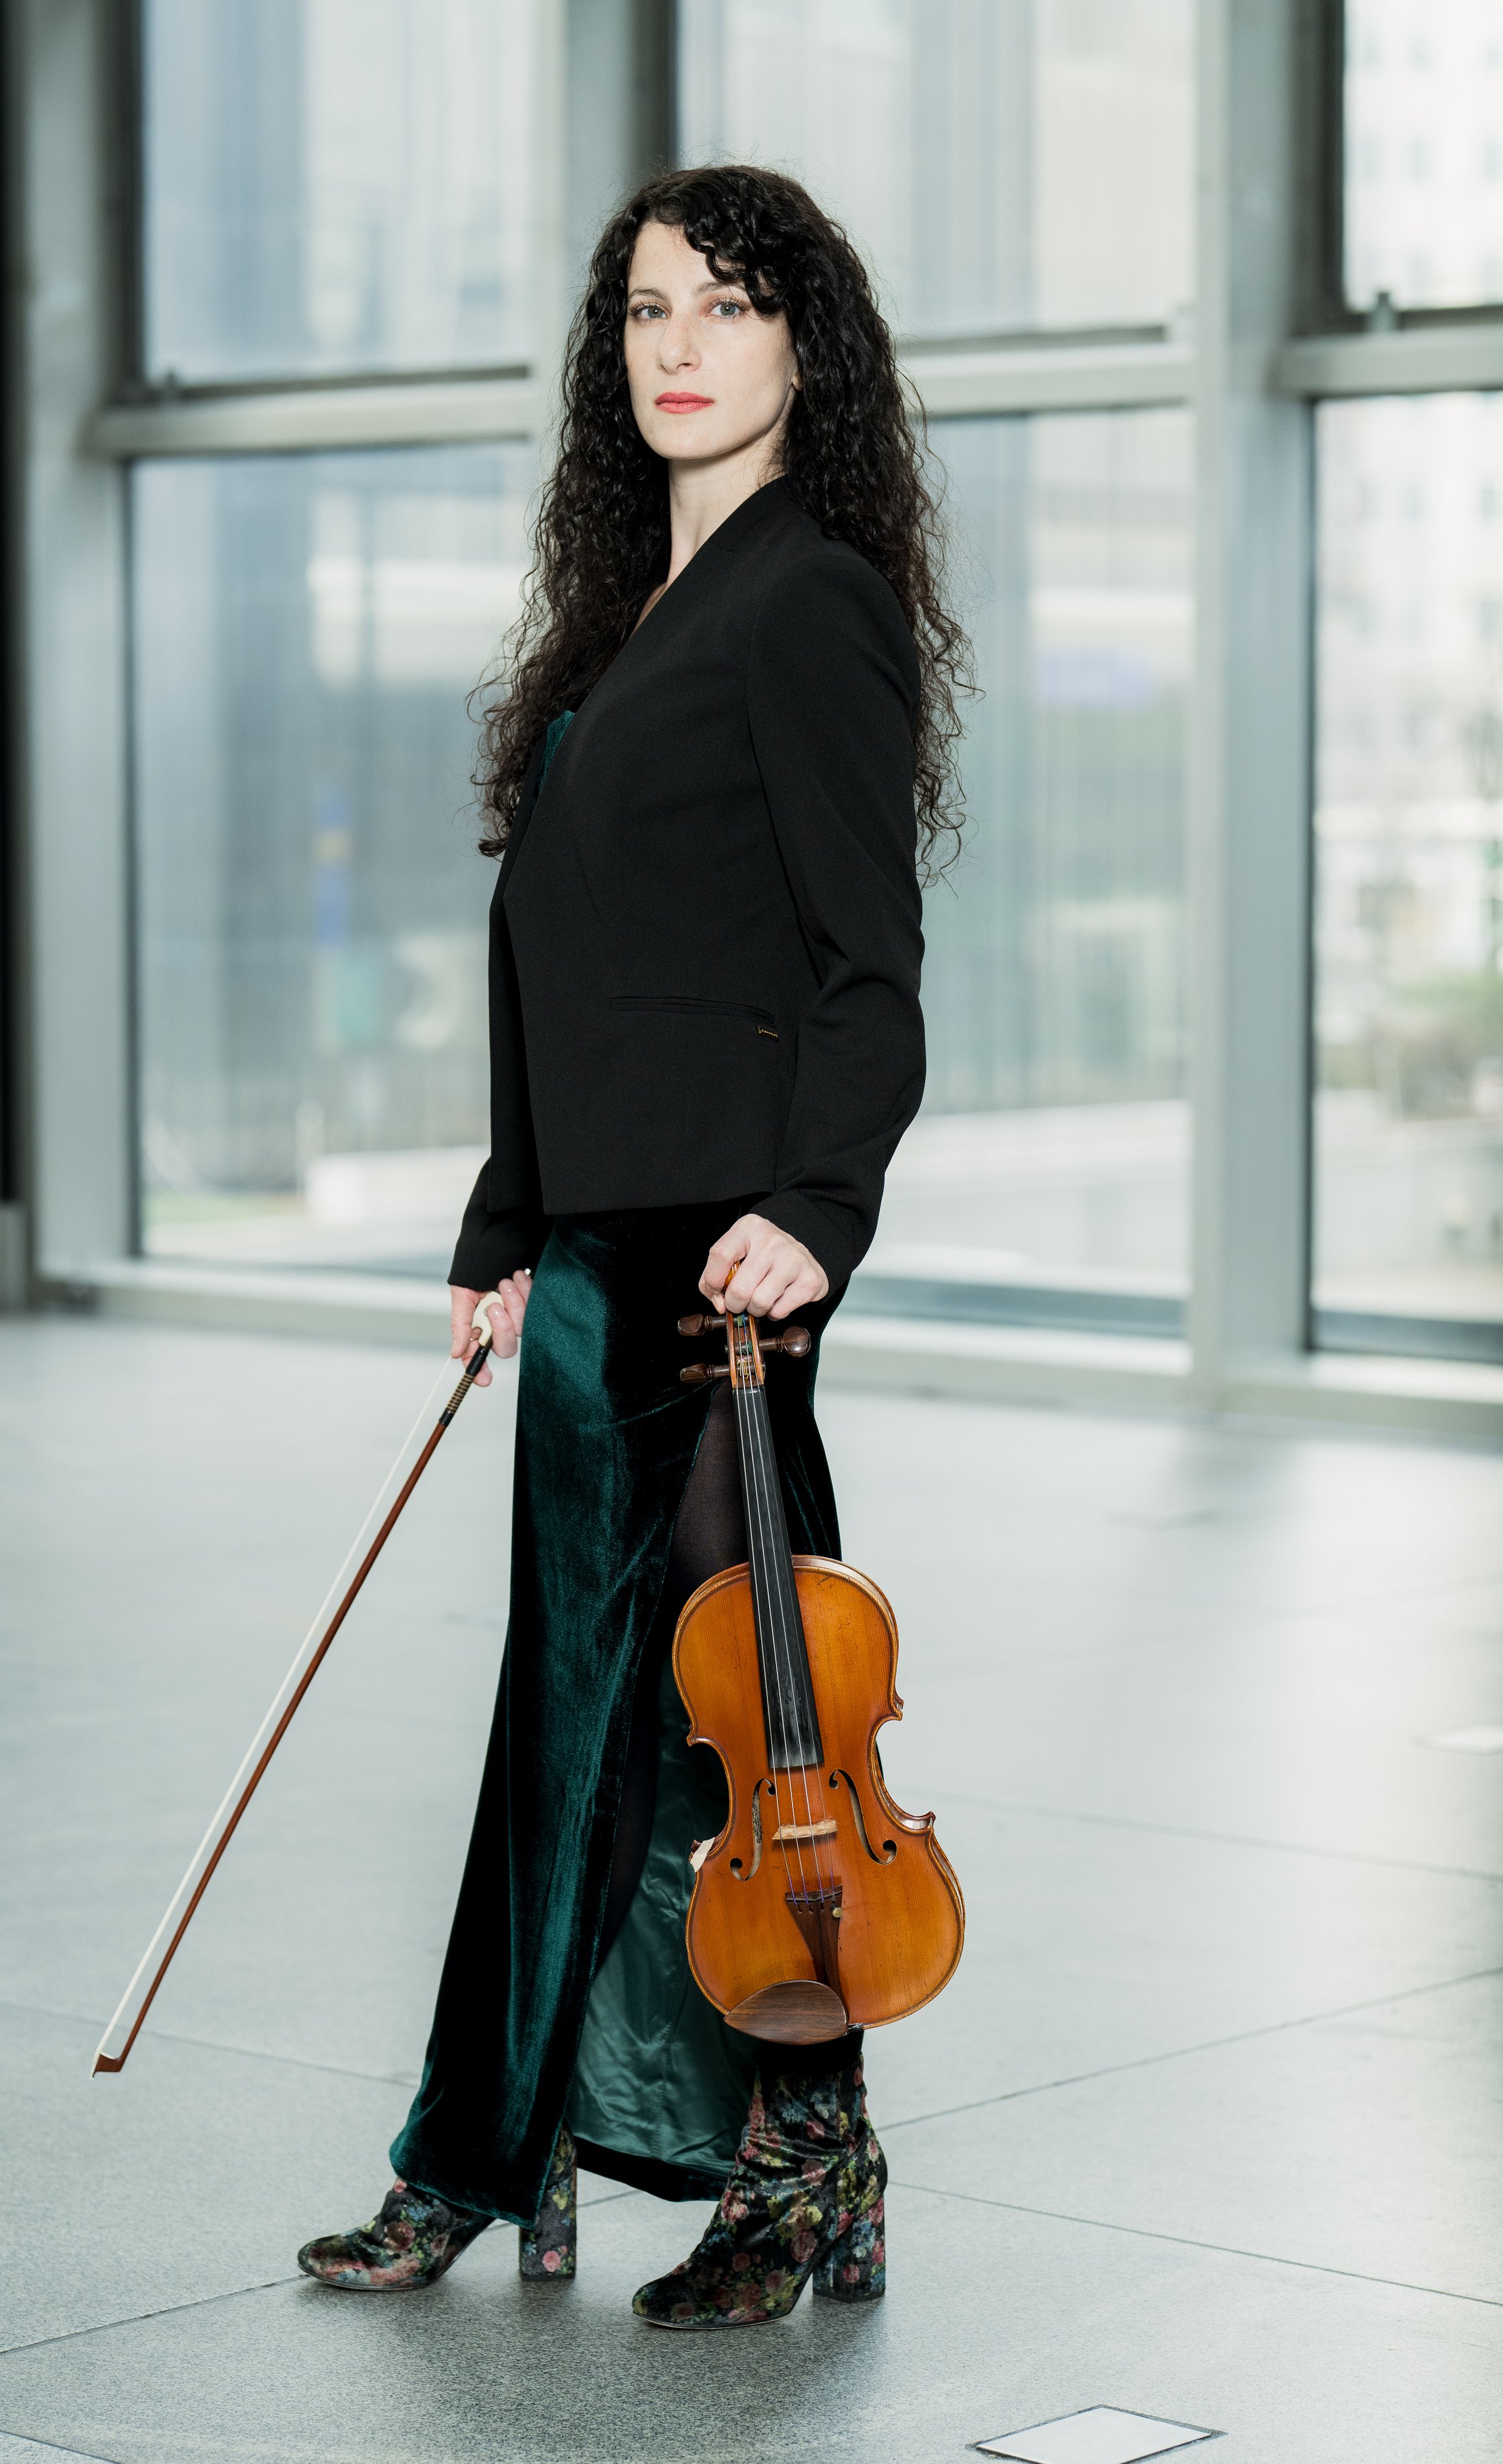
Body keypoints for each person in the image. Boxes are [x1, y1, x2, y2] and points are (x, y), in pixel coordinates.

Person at [297, 162, 969, 2330]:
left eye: (727, 307)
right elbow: (552, 965)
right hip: (596, 1258)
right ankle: (497, 2155)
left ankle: (803, 2172)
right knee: (564, 1724)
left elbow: (872, 970)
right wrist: (509, 1221)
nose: (676, 345)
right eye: (646, 310)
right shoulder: (617, 618)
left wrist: (821, 1212)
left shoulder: (814, 604)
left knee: (748, 1748)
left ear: (804, 350)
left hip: (729, 1275)